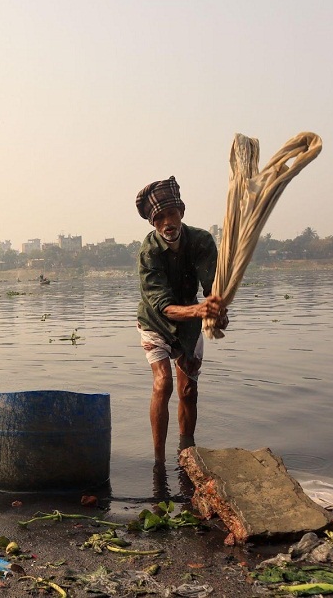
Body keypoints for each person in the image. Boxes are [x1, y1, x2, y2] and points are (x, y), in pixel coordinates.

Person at [135, 176, 228, 465]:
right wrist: (201, 311)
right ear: (152, 223)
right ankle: (159, 463)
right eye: (159, 218)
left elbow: (213, 289)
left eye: (172, 213)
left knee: (188, 390)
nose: (167, 222)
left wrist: (218, 313)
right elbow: (162, 306)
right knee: (163, 383)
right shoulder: (149, 252)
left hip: (189, 325)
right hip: (155, 323)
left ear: (182, 211)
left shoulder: (201, 241)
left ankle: (187, 456)